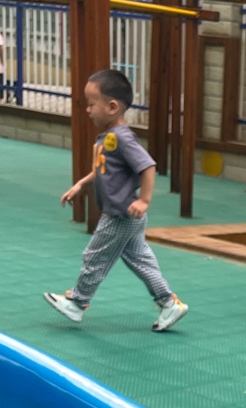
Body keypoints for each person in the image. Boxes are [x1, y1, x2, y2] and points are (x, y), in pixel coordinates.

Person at [43, 68, 188, 332]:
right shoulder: (109, 138)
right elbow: (101, 170)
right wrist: (81, 184)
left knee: (95, 255)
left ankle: (78, 303)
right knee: (140, 260)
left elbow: (148, 166)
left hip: (121, 213)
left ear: (112, 107)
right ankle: (169, 303)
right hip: (128, 216)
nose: (88, 110)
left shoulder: (121, 137)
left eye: (91, 104)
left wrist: (144, 200)